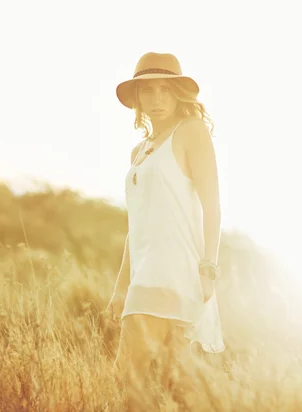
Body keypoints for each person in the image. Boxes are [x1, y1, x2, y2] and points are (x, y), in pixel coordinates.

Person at [106, 52, 225, 410]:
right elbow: (135, 226)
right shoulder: (137, 152)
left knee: (141, 383)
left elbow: (213, 205)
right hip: (144, 279)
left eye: (164, 90)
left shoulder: (191, 132)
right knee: (155, 387)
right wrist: (119, 289)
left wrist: (208, 269)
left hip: (177, 273)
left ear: (178, 94)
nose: (156, 100)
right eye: (147, 91)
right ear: (137, 98)